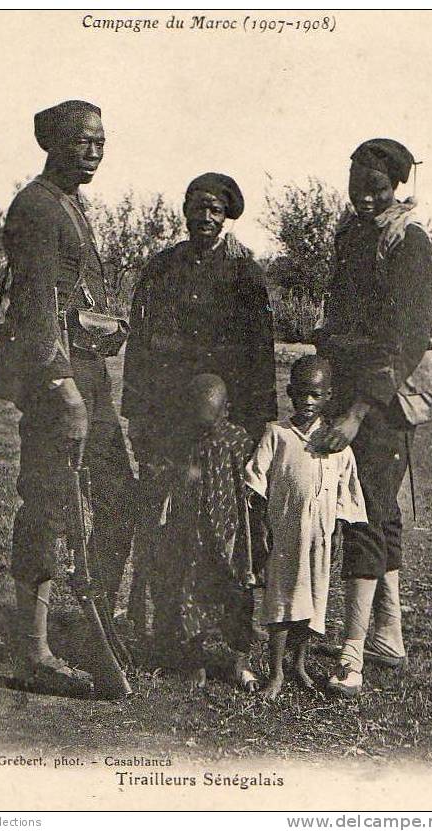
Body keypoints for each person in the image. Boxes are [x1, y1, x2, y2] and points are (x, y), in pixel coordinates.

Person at [3, 100, 135, 692]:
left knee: (116, 497)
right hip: (59, 387)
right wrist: (61, 385)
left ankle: (90, 624)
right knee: (50, 507)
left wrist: (94, 328)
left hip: (87, 377)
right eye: (83, 141)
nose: (94, 152)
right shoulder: (36, 207)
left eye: (101, 142)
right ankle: (34, 651)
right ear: (53, 143)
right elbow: (33, 307)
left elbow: (64, 303)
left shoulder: (70, 204)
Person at [122, 172, 277, 633]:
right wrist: (137, 414)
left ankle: (228, 630)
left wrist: (258, 424)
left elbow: (260, 355)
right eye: (198, 207)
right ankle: (158, 622)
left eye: (215, 209)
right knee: (166, 519)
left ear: (227, 216)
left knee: (226, 525)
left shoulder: (244, 275)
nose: (206, 217)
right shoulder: (162, 269)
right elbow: (141, 348)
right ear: (185, 211)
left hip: (224, 425)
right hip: (168, 416)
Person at [311, 138, 432, 696]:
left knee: (363, 513)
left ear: (396, 187)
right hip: (347, 386)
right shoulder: (351, 237)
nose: (365, 196)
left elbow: (402, 341)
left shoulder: (410, 244)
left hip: (382, 401)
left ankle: (352, 653)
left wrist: (360, 412)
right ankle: (389, 634)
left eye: (378, 188)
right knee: (380, 514)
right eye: (357, 185)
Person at [245, 356, 367, 701]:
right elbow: (255, 482)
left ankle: (298, 664)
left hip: (321, 539)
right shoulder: (278, 435)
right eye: (300, 394)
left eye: (315, 395)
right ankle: (276, 673)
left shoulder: (337, 444)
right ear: (289, 393)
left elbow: (347, 493)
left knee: (312, 604)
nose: (308, 402)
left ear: (328, 396)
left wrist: (340, 531)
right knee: (282, 604)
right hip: (285, 537)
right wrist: (261, 528)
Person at [150, 374, 258, 691]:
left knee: (238, 595)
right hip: (191, 537)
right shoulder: (181, 441)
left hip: (230, 535)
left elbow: (253, 483)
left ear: (226, 411)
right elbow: (158, 472)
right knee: (190, 595)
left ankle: (239, 661)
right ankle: (194, 660)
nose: (202, 430)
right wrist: (179, 472)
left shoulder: (237, 441)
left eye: (208, 424)